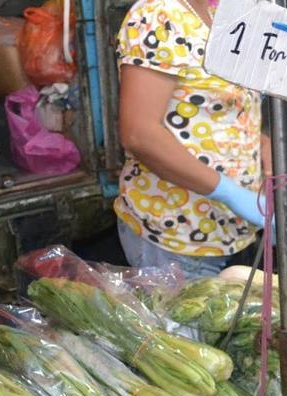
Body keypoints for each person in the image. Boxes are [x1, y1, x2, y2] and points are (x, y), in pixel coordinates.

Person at [115, 0, 271, 277]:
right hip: (178, 235)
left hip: (233, 233)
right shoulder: (157, 16)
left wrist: (263, 149)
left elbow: (216, 110)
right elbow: (139, 134)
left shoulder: (220, 14)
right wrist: (229, 192)